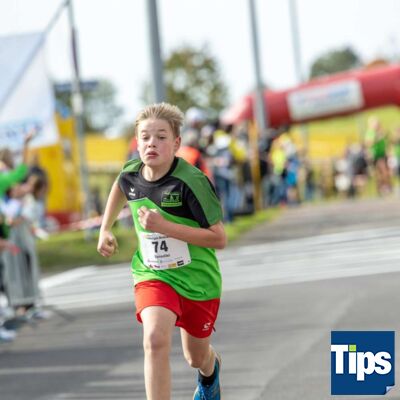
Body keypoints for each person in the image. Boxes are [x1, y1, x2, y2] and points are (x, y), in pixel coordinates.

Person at [97, 102, 226, 400]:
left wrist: (165, 226)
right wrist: (105, 228)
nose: (151, 143)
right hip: (153, 274)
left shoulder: (192, 182)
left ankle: (210, 372)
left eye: (161, 137)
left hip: (198, 280)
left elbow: (219, 238)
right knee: (154, 340)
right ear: (137, 142)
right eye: (145, 137)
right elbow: (120, 187)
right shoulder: (131, 174)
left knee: (196, 357)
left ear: (176, 143)